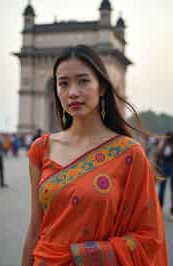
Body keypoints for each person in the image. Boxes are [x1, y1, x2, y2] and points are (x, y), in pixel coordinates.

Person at [22, 45, 167, 266]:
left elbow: (149, 237)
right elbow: (35, 229)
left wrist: (82, 255)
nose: (73, 92)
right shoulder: (41, 149)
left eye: (83, 81)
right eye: (63, 83)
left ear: (102, 88)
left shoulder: (129, 154)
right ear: (56, 91)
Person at [156, 131, 173, 221]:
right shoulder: (167, 145)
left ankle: (159, 208)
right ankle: (171, 212)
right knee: (171, 189)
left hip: (164, 166)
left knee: (162, 188)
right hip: (170, 166)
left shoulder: (164, 145)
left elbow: (158, 155)